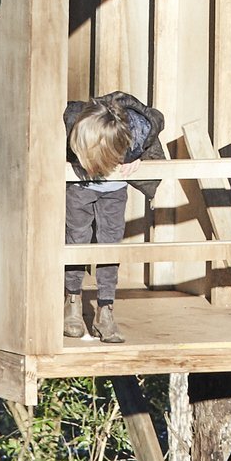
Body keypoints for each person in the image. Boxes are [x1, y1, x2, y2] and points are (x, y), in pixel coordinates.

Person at [63, 91, 164, 343]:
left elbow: (157, 122)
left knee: (110, 245)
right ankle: (72, 301)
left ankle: (105, 310)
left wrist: (140, 156)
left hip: (113, 190)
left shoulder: (137, 136)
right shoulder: (75, 119)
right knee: (76, 239)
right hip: (79, 188)